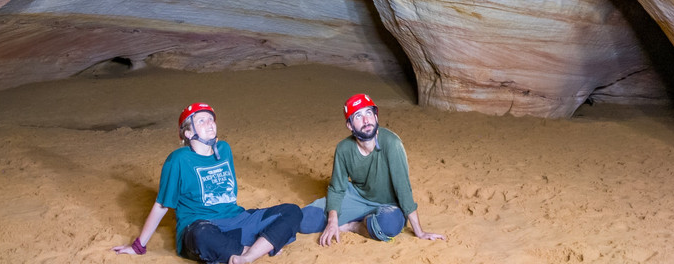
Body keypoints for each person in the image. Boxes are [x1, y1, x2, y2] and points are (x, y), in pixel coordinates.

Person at [113, 102, 304, 263]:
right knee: (202, 236)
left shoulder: (224, 149)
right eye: (201, 120)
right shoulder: (178, 160)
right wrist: (139, 246)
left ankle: (248, 255)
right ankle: (259, 247)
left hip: (237, 220)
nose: (210, 123)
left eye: (211, 119)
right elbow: (161, 205)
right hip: (201, 226)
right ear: (188, 133)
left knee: (292, 211)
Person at [310, 92, 445, 246]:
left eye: (369, 113)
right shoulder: (343, 148)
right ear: (350, 125)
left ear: (376, 117)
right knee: (307, 220)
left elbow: (403, 189)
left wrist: (419, 232)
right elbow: (336, 189)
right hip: (358, 198)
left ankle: (354, 225)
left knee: (388, 226)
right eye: (358, 116)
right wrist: (332, 222)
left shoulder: (392, 144)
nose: (366, 120)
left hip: (388, 205)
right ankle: (363, 219)